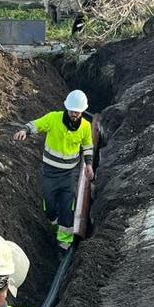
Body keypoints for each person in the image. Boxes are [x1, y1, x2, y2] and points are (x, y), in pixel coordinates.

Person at [14, 90, 94, 252]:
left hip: (69, 174)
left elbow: (87, 146)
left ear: (82, 111)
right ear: (67, 108)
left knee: (67, 206)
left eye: (77, 112)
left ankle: (64, 242)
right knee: (49, 206)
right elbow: (36, 124)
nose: (74, 114)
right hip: (50, 172)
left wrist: (89, 164)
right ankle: (54, 224)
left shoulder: (85, 126)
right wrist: (24, 130)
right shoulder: (54, 118)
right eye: (72, 111)